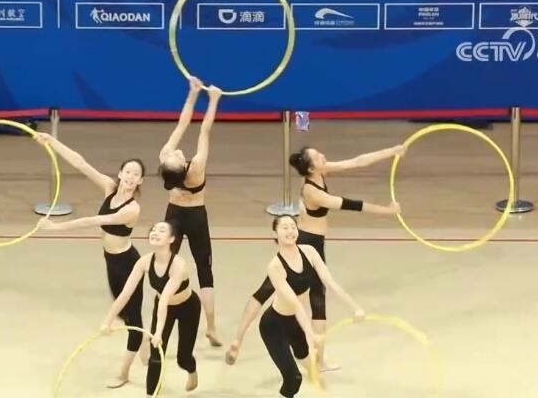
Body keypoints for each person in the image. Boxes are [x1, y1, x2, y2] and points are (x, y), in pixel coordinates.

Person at [226, 143, 404, 370]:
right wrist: (388, 211)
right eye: (318, 157)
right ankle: (318, 361)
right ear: (311, 168)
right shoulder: (314, 192)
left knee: (266, 289)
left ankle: (238, 340)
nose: (323, 156)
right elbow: (354, 205)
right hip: (308, 244)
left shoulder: (319, 171)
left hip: (306, 240)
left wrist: (392, 151)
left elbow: (357, 161)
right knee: (317, 300)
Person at [34, 133, 147, 388]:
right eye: (127, 172)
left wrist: (55, 227)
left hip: (128, 264)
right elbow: (81, 164)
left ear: (140, 180)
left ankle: (124, 372)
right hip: (111, 262)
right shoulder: (109, 187)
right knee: (126, 314)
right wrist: (52, 141)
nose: (130, 177)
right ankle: (145, 346)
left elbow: (93, 221)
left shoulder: (132, 209)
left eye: (136, 174)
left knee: (132, 319)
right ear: (120, 174)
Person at [257, 215, 365, 398]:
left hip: (293, 323)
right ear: (274, 234)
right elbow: (295, 304)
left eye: (293, 227)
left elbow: (330, 283)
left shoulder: (309, 252)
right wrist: (311, 334)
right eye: (284, 227)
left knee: (313, 371)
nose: (290, 231)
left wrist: (355, 308)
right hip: (273, 326)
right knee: (294, 379)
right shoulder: (275, 266)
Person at [157, 76, 223, 347]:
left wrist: (193, 94)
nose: (176, 153)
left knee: (166, 266)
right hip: (196, 217)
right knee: (204, 270)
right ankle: (211, 327)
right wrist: (214, 100)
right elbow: (204, 131)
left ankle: (170, 327)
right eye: (176, 157)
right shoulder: (196, 168)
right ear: (181, 167)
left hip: (173, 215)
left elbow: (182, 124)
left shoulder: (165, 160)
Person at [101, 221, 201, 397]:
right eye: (153, 230)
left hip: (188, 308)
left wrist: (158, 332)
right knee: (155, 357)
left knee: (183, 358)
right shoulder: (144, 262)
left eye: (161, 230)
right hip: (163, 307)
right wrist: (107, 322)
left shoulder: (179, 265)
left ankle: (191, 370)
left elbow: (165, 299)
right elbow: (125, 294)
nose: (155, 232)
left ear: (171, 239)